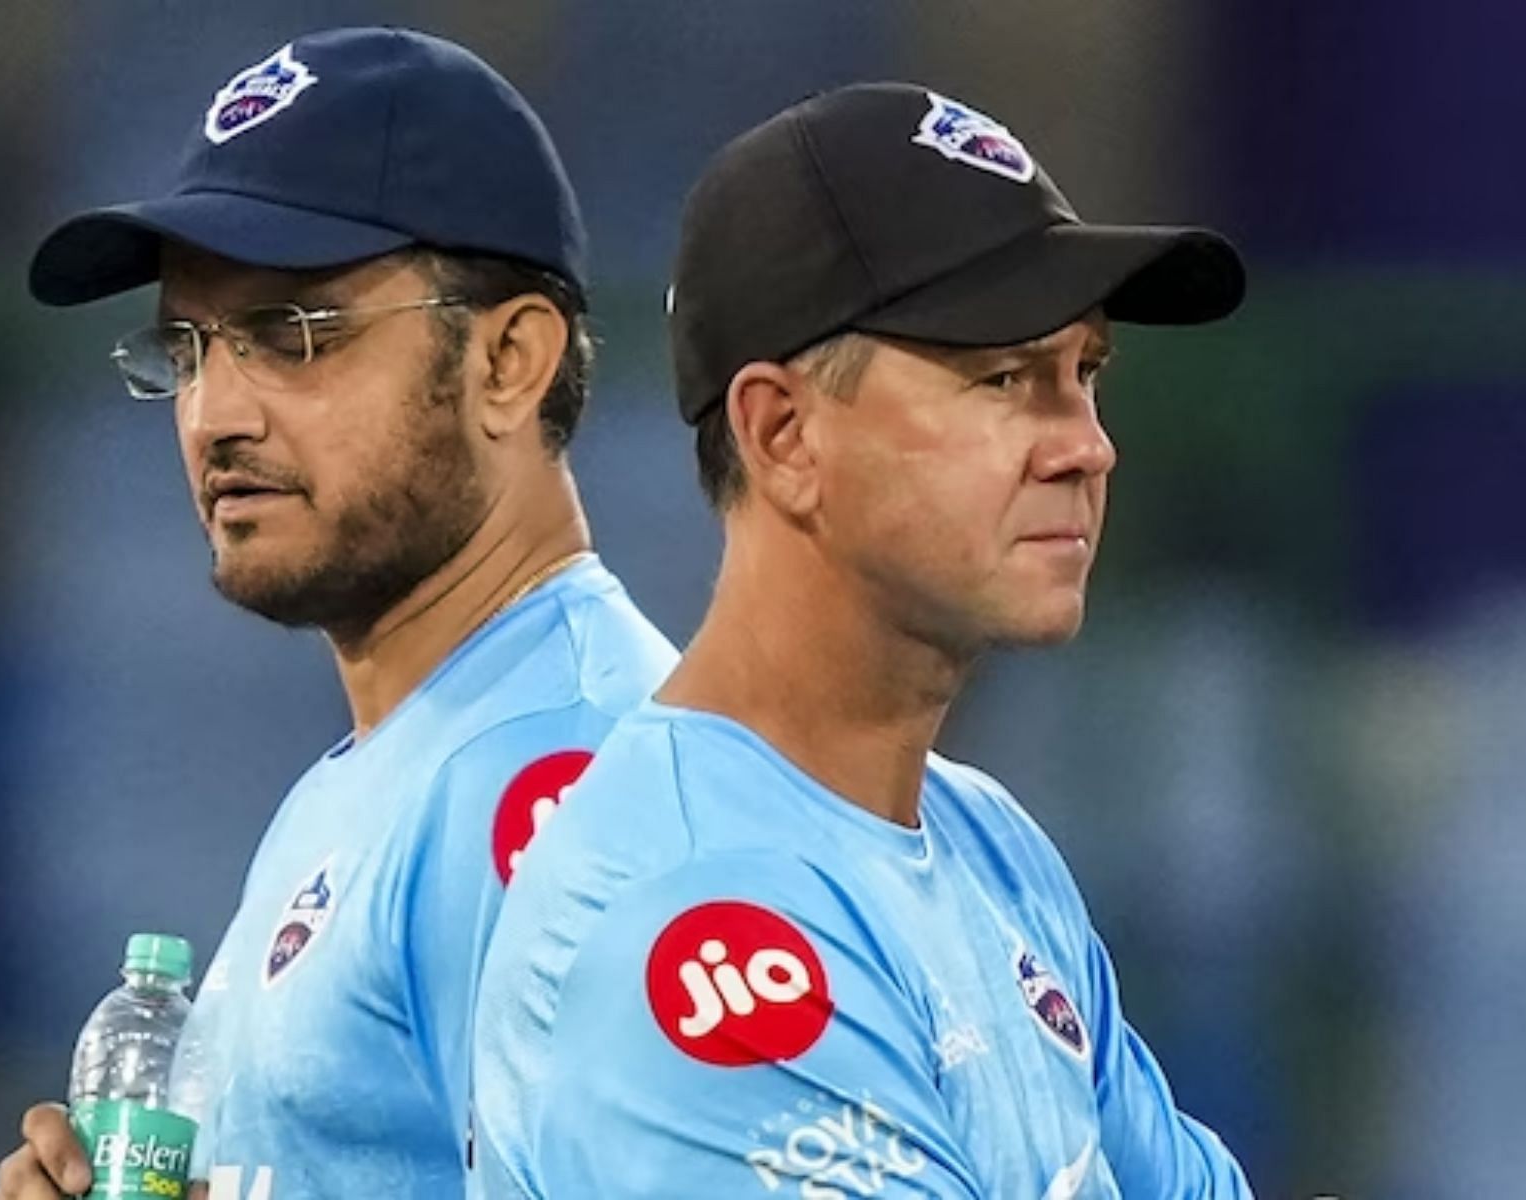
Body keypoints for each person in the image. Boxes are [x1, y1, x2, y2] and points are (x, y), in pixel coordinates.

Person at [471, 83, 1252, 1198]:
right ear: (782, 434)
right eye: (1003, 378)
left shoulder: (990, 844)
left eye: (1084, 374)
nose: (1086, 447)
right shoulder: (693, 929)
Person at [0, 27, 676, 1200]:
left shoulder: (573, 787)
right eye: (188, 346)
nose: (214, 414)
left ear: (507, 361)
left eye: (293, 333)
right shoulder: (394, 764)